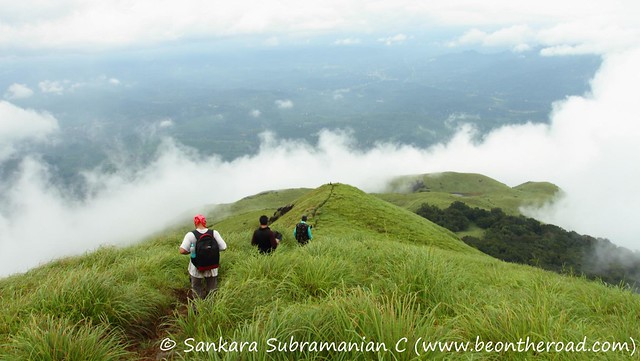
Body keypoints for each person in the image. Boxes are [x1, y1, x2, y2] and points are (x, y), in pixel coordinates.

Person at [179, 214, 227, 299]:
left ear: (195, 223)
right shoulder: (214, 233)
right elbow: (223, 247)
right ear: (205, 222)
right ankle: (211, 307)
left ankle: (197, 308)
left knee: (197, 289)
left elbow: (182, 251)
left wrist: (193, 250)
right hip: (212, 267)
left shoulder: (191, 235)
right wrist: (211, 250)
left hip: (196, 267)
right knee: (212, 290)